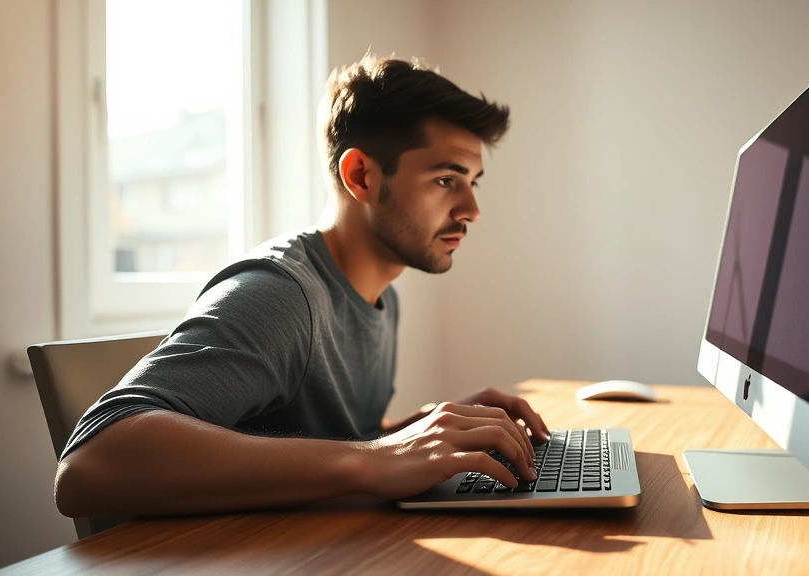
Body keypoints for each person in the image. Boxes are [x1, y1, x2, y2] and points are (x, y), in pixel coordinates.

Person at [54, 55, 551, 519]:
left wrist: (419, 432)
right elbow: (88, 464)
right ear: (359, 175)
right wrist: (375, 458)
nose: (471, 209)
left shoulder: (382, 299)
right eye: (447, 179)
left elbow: (330, 440)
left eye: (473, 182)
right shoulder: (280, 295)